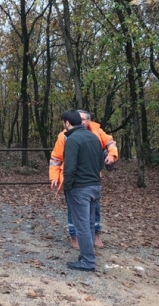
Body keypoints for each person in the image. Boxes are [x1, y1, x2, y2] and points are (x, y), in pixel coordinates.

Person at [49, 109, 118, 249]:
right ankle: (75, 236)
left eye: (84, 119)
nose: (81, 122)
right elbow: (56, 158)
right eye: (78, 119)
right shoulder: (65, 136)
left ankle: (95, 235)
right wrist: (55, 176)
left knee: (94, 209)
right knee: (74, 210)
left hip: (92, 179)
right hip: (74, 180)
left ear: (89, 120)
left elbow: (110, 143)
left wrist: (112, 155)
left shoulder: (97, 132)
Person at [60, 109, 104, 272]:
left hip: (80, 188)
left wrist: (67, 186)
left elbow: (69, 168)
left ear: (67, 123)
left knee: (82, 225)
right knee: (90, 223)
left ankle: (87, 260)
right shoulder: (93, 137)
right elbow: (101, 163)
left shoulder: (72, 140)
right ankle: (87, 255)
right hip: (95, 186)